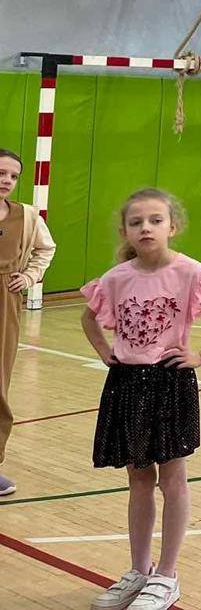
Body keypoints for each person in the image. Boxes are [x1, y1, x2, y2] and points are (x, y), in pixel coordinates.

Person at [80, 189, 201, 610]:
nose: (146, 228)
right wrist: (104, 351)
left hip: (169, 382)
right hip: (126, 384)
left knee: (172, 480)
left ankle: (167, 575)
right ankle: (139, 570)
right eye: (136, 222)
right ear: (125, 231)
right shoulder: (116, 277)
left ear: (172, 226)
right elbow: (88, 318)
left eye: (155, 220)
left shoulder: (190, 271)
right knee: (139, 481)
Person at [1, 147, 56, 497]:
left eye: (13, 176)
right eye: (0, 173)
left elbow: (46, 249)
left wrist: (30, 276)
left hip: (4, 301)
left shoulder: (27, 217)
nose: (7, 180)